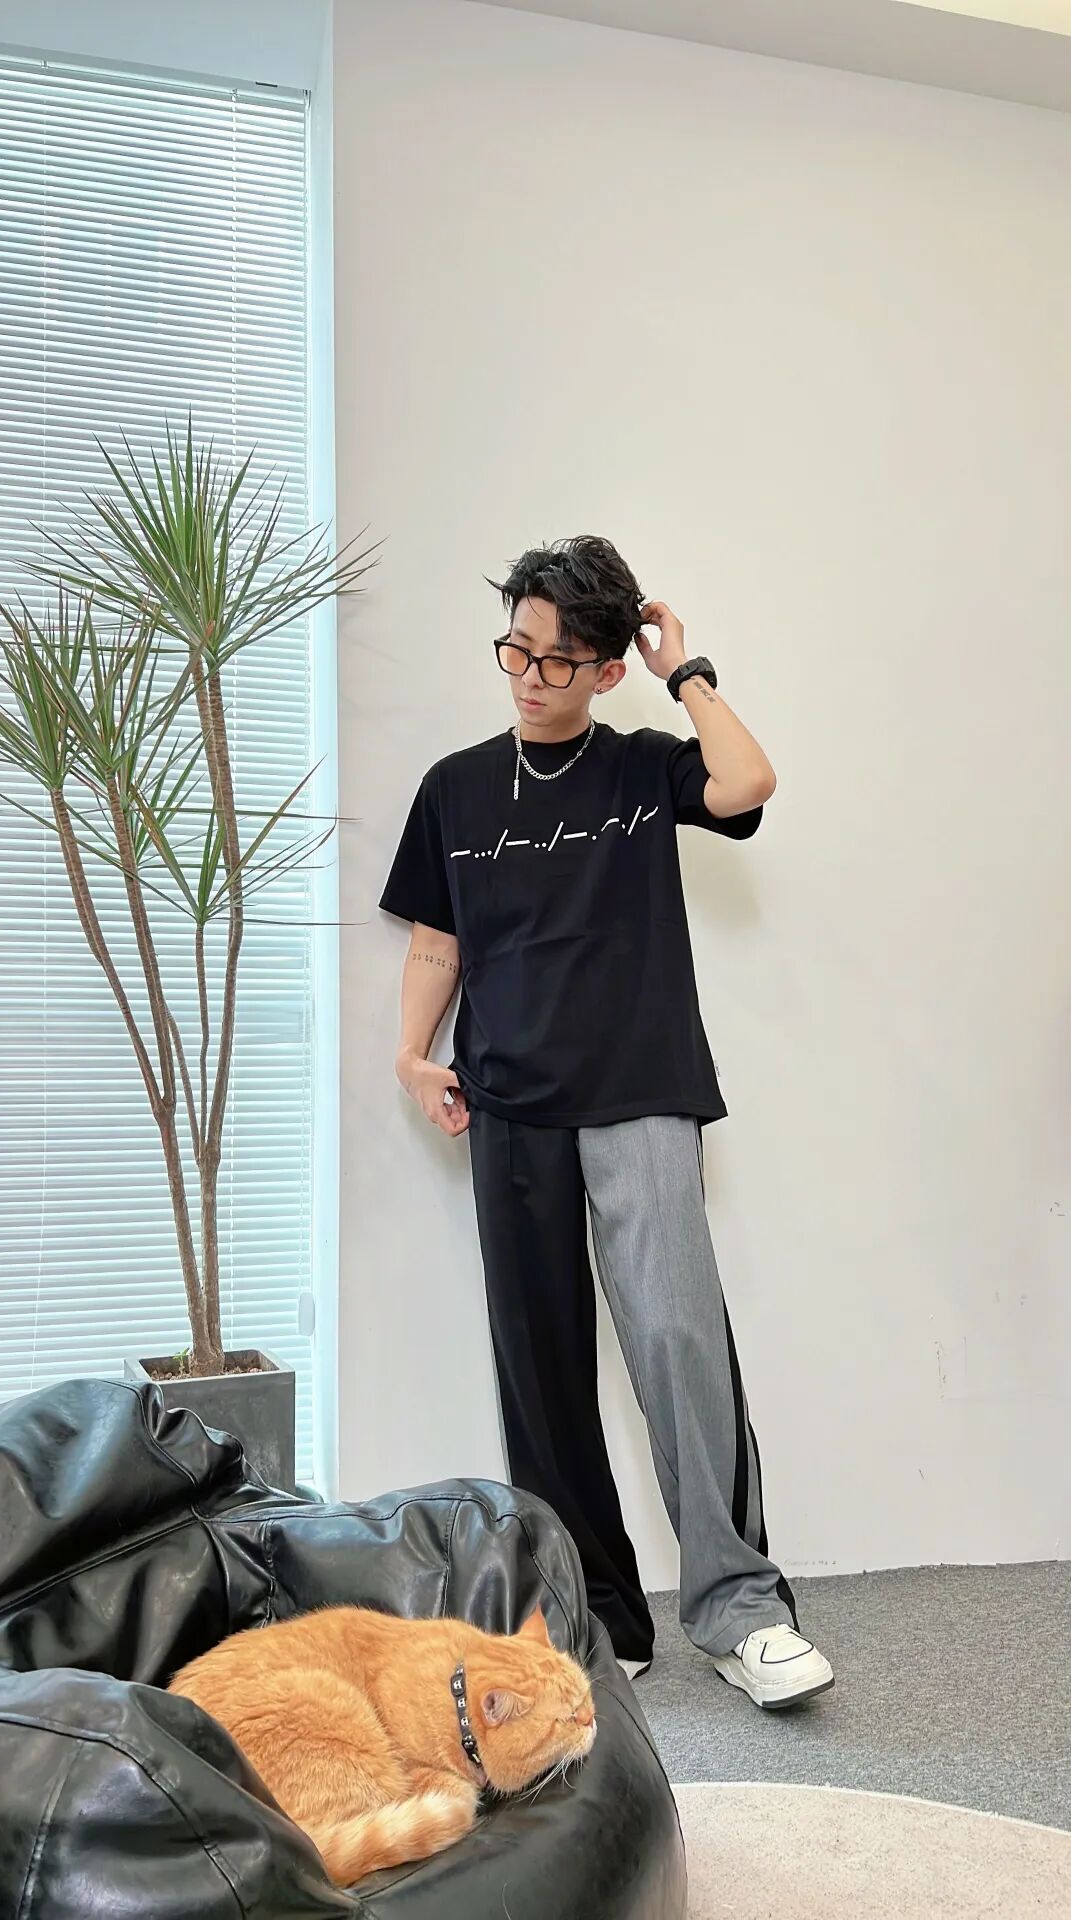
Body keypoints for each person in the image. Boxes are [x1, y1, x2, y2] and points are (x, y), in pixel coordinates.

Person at [380, 536, 833, 1710]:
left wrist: (688, 672)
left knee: (677, 1340)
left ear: (606, 670)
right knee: (539, 1369)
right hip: (507, 1102)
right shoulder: (454, 788)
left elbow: (747, 783)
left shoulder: (639, 767)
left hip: (639, 1089)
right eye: (515, 650)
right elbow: (438, 939)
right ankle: (598, 1620)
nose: (529, 677)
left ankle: (741, 1609)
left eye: (556, 660)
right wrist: (411, 1055)